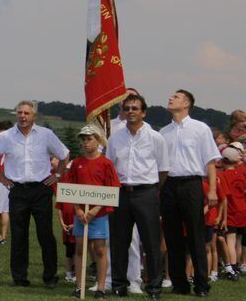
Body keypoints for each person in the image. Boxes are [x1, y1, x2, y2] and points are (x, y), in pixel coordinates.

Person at [0, 100, 69, 288]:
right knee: (19, 235)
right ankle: (20, 278)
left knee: (45, 234)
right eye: (20, 113)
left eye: (26, 113)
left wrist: (57, 175)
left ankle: (50, 277)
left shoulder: (46, 135)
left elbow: (64, 154)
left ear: (34, 116)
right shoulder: (6, 136)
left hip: (41, 189)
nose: (22, 116)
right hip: (17, 190)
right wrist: (3, 179)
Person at [159, 90, 222, 297]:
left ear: (186, 103)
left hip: (192, 185)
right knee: (172, 236)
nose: (170, 98)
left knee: (196, 236)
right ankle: (179, 284)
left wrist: (212, 190)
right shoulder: (164, 131)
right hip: (168, 186)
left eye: (175, 96)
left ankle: (202, 284)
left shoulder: (200, 129)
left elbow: (210, 161)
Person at [105, 93, 167, 298]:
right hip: (121, 193)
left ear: (143, 112)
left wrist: (152, 190)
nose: (130, 112)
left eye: (135, 108)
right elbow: (109, 167)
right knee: (119, 242)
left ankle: (154, 287)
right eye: (127, 108)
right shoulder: (115, 137)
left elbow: (163, 169)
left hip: (146, 192)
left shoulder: (155, 137)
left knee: (151, 243)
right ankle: (119, 285)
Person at [60, 126, 121, 300]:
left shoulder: (105, 163)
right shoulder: (77, 162)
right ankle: (79, 287)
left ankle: (101, 288)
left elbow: (112, 188)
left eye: (90, 139)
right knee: (80, 249)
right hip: (81, 215)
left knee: (100, 250)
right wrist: (78, 210)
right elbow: (70, 189)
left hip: (99, 215)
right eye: (84, 139)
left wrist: (95, 210)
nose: (86, 142)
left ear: (98, 140)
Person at [218, 144, 246, 279]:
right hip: (243, 209)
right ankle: (239, 266)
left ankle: (233, 267)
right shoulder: (241, 173)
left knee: (230, 239)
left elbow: (224, 196)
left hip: (230, 211)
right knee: (239, 240)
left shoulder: (223, 175)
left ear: (223, 160)